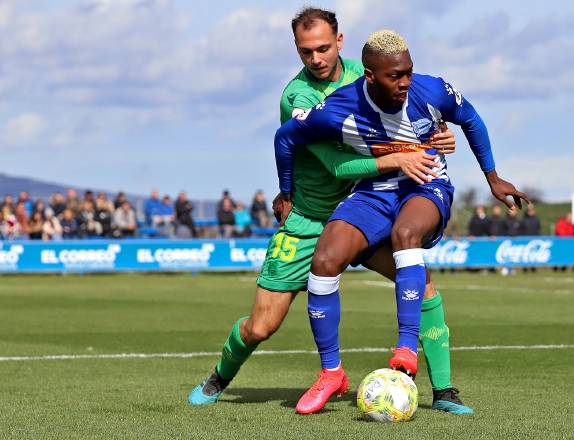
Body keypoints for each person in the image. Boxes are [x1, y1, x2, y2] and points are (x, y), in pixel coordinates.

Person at [189, 9, 472, 416]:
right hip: (310, 219)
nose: (316, 58)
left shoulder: (369, 72)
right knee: (261, 327)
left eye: (323, 48)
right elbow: (338, 166)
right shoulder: (298, 98)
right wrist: (399, 158)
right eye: (306, 52)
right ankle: (219, 377)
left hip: (364, 209)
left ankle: (444, 391)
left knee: (421, 282)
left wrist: (438, 135)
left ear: (339, 42)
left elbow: (420, 110)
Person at [271, 29, 528, 414]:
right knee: (324, 259)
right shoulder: (339, 107)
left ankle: (407, 347)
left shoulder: (432, 90)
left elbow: (471, 119)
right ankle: (331, 373)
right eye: (395, 76)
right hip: (373, 192)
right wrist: (286, 191)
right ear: (370, 76)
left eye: (408, 71)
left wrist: (492, 177)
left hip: (427, 185)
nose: (405, 81)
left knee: (406, 233)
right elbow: (285, 138)